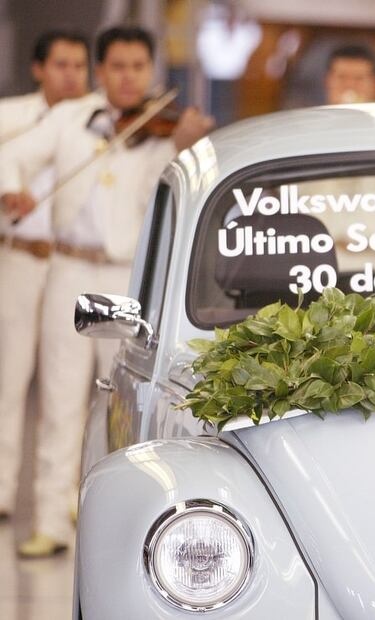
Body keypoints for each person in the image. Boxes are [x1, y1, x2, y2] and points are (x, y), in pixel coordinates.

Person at [0, 26, 213, 557]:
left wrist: (189, 147)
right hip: (71, 270)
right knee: (59, 399)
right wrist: (13, 190)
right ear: (101, 72)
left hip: (130, 278)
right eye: (117, 67)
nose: (128, 78)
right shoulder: (71, 118)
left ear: (151, 72)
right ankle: (50, 521)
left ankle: (126, 530)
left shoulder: (169, 130)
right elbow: (12, 157)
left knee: (125, 403)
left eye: (138, 68)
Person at [0, 30, 90, 524]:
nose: (71, 75)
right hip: (18, 256)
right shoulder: (9, 116)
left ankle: (66, 496)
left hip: (71, 260)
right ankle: (2, 490)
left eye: (79, 66)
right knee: (8, 378)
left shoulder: (97, 120)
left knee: (67, 386)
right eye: (61, 65)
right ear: (39, 69)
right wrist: (9, 190)